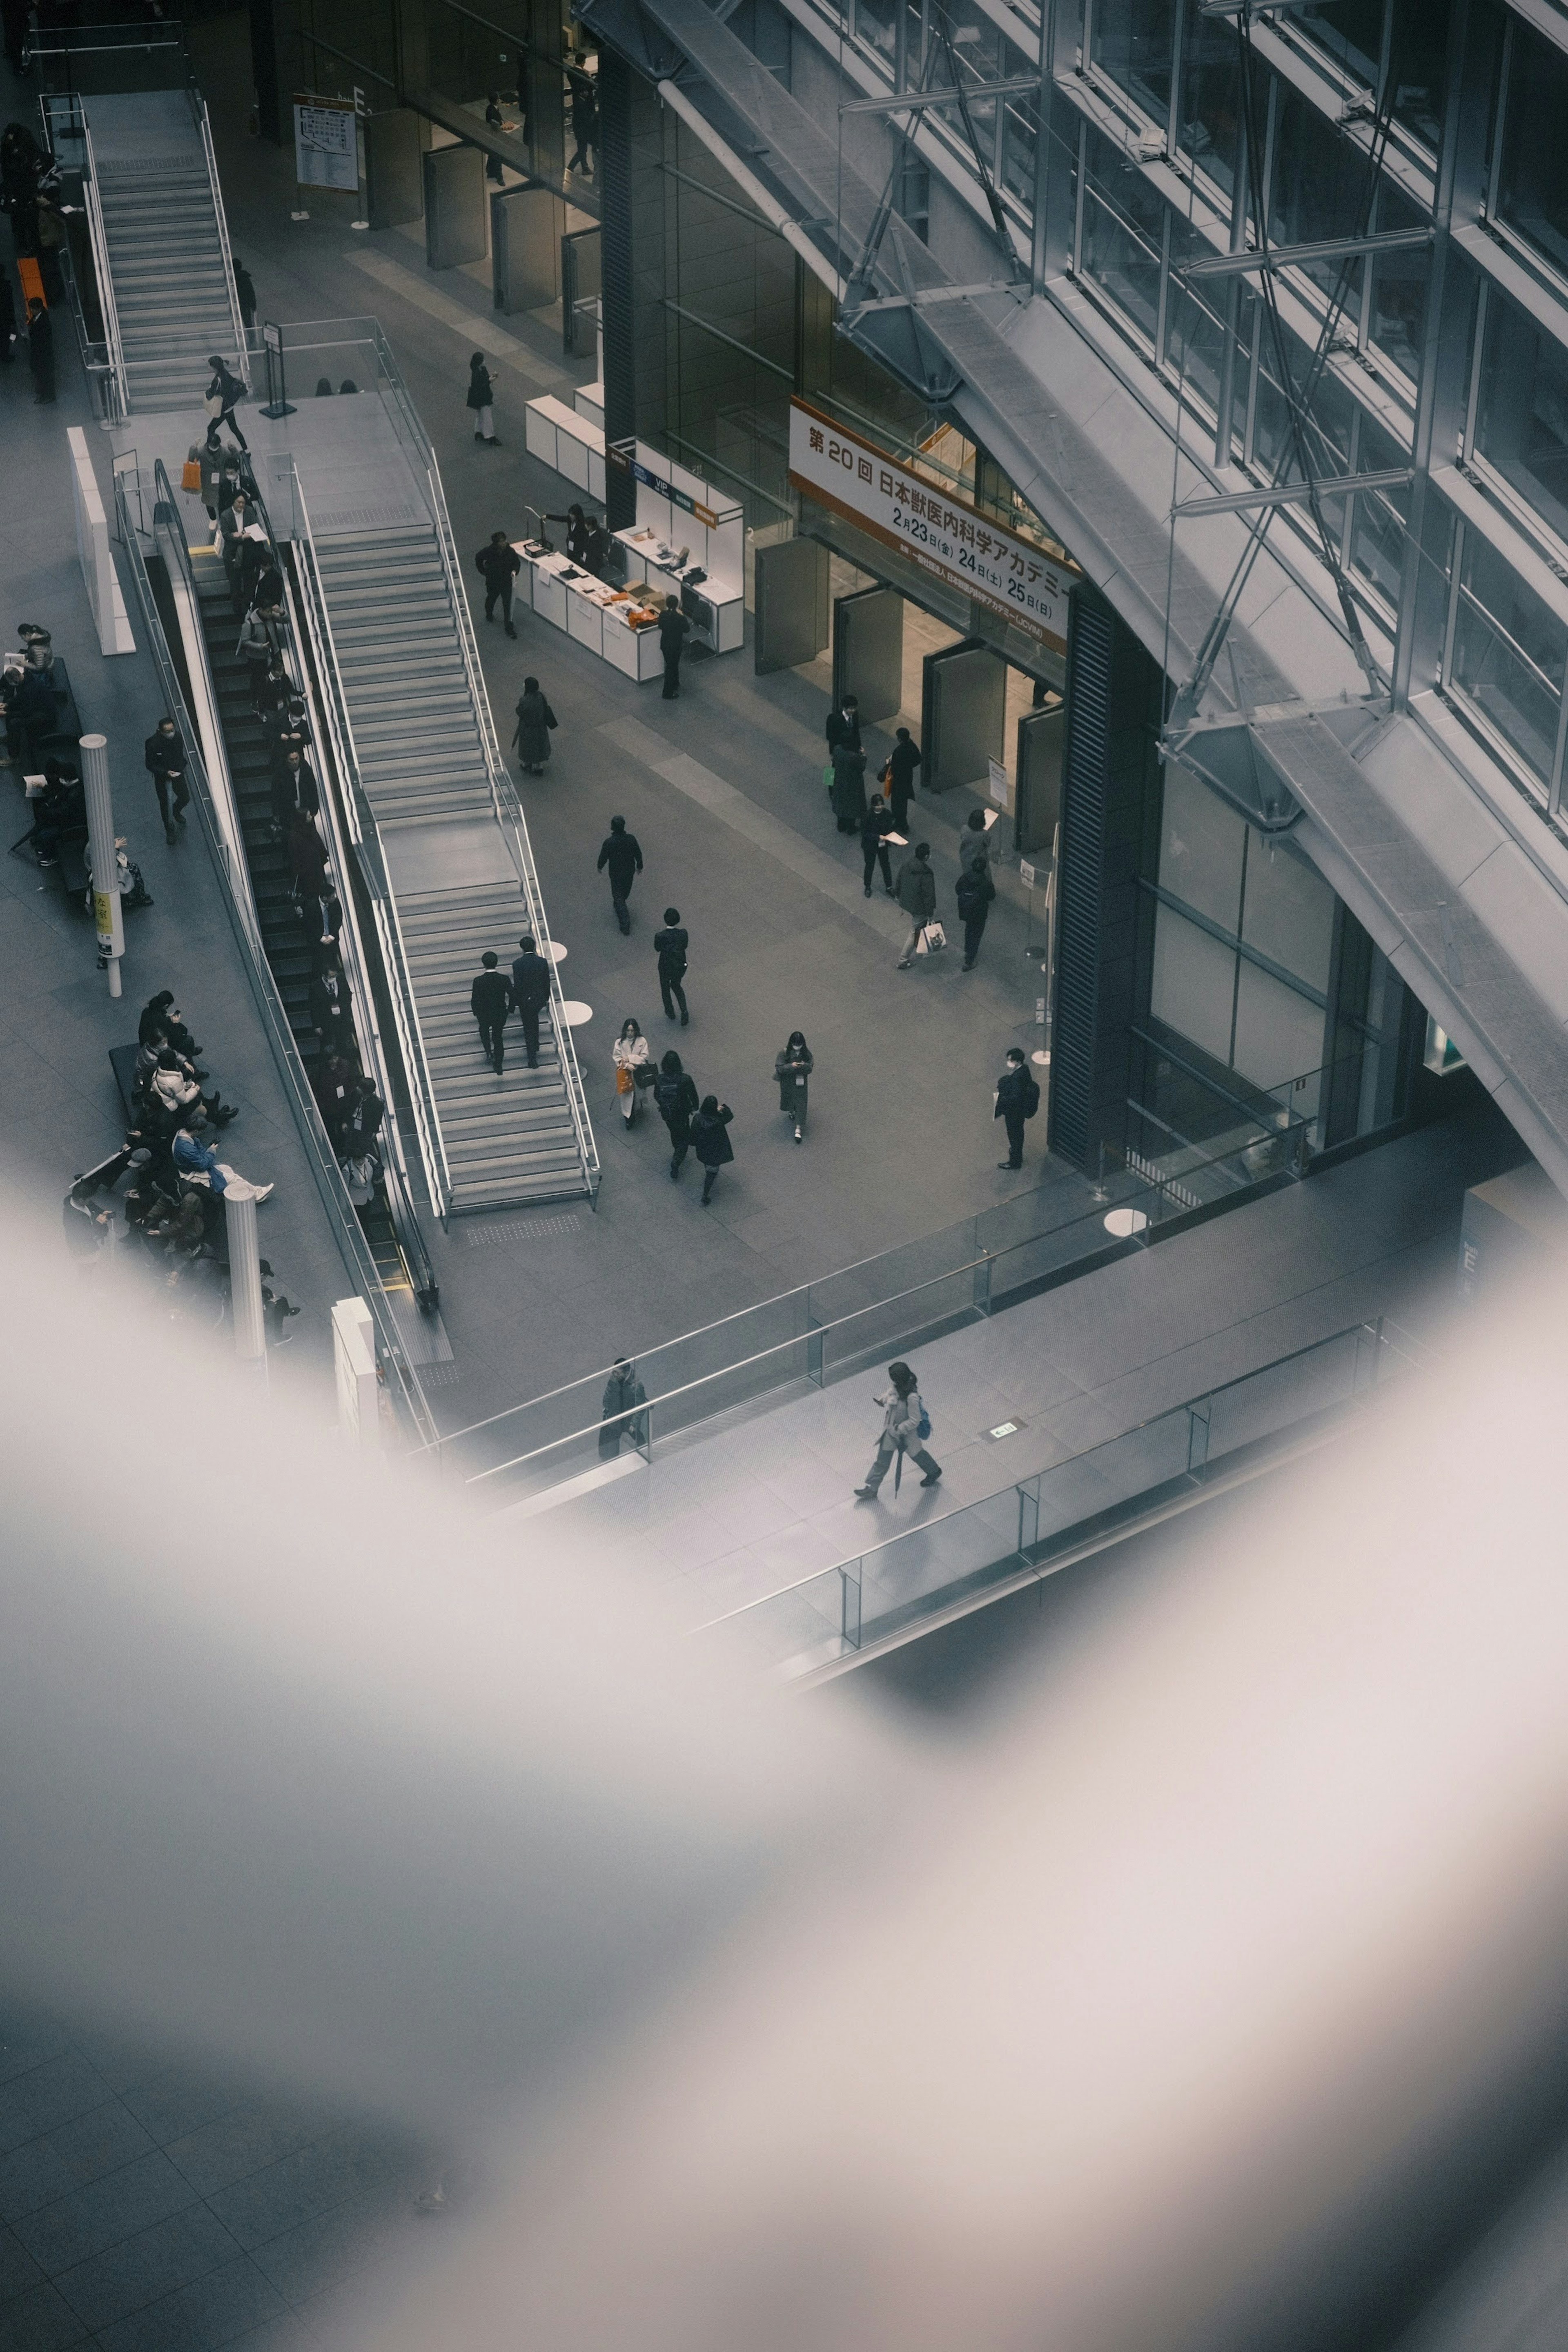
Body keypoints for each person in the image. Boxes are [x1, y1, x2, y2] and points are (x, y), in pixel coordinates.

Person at [853, 1360, 942, 1497]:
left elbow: (914, 1420)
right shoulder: (897, 1387)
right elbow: (890, 1393)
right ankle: (872, 1488)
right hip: (891, 1430)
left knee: (917, 1454)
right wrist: (882, 1400)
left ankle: (934, 1471)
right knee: (882, 1460)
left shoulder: (912, 1397)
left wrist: (900, 1429)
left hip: (907, 1433)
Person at [172, 1110, 273, 1202]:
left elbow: (199, 1155)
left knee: (227, 1171)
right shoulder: (186, 1148)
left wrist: (208, 1152)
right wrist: (211, 1151)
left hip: (193, 1168)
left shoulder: (183, 1135)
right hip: (193, 1174)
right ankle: (255, 1195)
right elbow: (202, 1165)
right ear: (196, 1131)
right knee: (230, 1179)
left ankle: (254, 1192)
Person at [653, 1050, 698, 1179]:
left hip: (667, 1114)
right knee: (684, 1138)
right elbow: (693, 1096)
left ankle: (676, 1146)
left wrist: (664, 1104)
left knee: (673, 1131)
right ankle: (677, 1160)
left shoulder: (659, 1079)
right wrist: (694, 1107)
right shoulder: (685, 1079)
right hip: (682, 1113)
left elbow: (656, 1096)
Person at [994, 1044, 1040, 1170]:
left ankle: (1014, 1161)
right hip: (1020, 1111)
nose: (1009, 1062)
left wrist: (1003, 1099)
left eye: (1011, 1060)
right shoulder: (1025, 1070)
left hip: (1015, 1112)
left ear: (1017, 1061)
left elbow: (1015, 1097)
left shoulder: (1017, 1078)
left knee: (1014, 1135)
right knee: (1018, 1134)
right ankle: (1016, 1156)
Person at [143, 716, 188, 844]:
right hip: (162, 776)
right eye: (168, 731)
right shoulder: (152, 743)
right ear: (160, 731)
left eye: (172, 730)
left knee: (185, 797)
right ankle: (170, 829)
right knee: (165, 803)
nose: (171, 734)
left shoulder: (178, 738)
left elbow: (180, 755)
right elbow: (150, 765)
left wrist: (179, 769)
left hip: (177, 772)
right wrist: (165, 773)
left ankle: (176, 811)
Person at [597, 815, 643, 935]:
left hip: (616, 873)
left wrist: (600, 866)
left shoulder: (609, 842)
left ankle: (625, 922)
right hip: (629, 871)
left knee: (618, 895)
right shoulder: (631, 839)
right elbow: (638, 853)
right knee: (625, 892)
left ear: (612, 828)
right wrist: (640, 866)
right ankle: (619, 903)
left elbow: (604, 856)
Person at [511, 933, 551, 1069]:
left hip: (525, 1001)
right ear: (534, 946)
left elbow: (518, 985)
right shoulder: (542, 962)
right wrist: (546, 998)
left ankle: (532, 1057)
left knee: (529, 1027)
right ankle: (537, 1043)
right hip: (538, 999)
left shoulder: (517, 964)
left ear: (522, 948)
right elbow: (546, 981)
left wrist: (517, 1001)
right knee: (535, 1021)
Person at [895, 841, 937, 967]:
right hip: (919, 907)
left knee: (920, 926)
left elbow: (899, 879)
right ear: (926, 857)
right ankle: (903, 960)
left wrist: (898, 894)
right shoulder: (926, 874)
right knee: (915, 931)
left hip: (907, 901)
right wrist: (930, 914)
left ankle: (924, 950)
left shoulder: (908, 864)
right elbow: (928, 896)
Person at [471, 950, 512, 1075]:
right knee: (498, 1037)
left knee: (484, 1031)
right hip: (500, 1013)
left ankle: (488, 1051)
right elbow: (513, 995)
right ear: (496, 963)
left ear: (484, 964)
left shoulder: (478, 981)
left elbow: (475, 999)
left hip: (484, 1014)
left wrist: (476, 1012)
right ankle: (499, 1065)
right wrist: (510, 1009)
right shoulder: (504, 979)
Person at [689, 1094, 734, 1206]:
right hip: (716, 1151)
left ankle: (709, 1171)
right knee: (711, 1174)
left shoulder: (698, 1118)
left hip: (704, 1149)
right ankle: (705, 1195)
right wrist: (723, 1108)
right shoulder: (718, 1120)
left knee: (708, 1165)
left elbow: (693, 1134)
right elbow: (729, 1117)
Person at [307, 945, 352, 1056]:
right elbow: (314, 1007)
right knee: (328, 1046)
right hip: (326, 1021)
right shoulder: (316, 987)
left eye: (335, 976)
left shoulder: (341, 980)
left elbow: (347, 995)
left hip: (342, 1019)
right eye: (331, 976)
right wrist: (317, 1025)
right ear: (324, 976)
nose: (334, 978)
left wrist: (344, 1009)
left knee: (342, 1043)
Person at [598, 1357, 646, 1458]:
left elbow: (641, 1406)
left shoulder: (636, 1385)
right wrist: (606, 1408)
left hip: (628, 1417)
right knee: (613, 1437)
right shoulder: (615, 1380)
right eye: (614, 1372)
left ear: (626, 1372)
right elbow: (608, 1395)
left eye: (618, 1373)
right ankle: (612, 1458)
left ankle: (645, 1449)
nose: (615, 1374)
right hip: (617, 1415)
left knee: (637, 1435)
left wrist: (634, 1423)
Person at [475, 531, 520, 636]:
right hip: (493, 582)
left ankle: (509, 627)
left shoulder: (510, 551)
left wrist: (515, 571)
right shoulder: (490, 551)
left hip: (506, 582)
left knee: (507, 605)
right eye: (501, 542)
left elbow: (516, 563)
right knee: (491, 599)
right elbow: (479, 557)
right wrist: (483, 571)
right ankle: (489, 613)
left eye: (504, 540)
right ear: (496, 543)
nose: (504, 543)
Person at [955, 857, 996, 972]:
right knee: (976, 935)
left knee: (969, 931)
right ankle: (969, 961)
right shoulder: (986, 882)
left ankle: (967, 951)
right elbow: (992, 897)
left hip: (966, 910)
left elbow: (958, 889)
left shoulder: (965, 877)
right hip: (979, 913)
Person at [611, 1016, 650, 1126]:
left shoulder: (642, 1041)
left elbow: (645, 1058)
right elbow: (617, 1058)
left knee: (638, 1094)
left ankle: (637, 1107)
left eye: (632, 1031)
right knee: (627, 1096)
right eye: (628, 1031)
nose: (630, 1033)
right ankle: (628, 1118)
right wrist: (627, 1065)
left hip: (638, 1073)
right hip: (626, 1074)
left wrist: (630, 1059)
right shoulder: (619, 1042)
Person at [203, 354, 248, 451]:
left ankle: (209, 450)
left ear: (214, 367)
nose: (208, 367)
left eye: (210, 366)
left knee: (211, 428)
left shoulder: (217, 379)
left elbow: (210, 394)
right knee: (234, 429)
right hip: (230, 406)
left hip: (223, 409)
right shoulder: (225, 373)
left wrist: (208, 390)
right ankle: (246, 450)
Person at [512, 678, 556, 774]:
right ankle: (538, 766)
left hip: (528, 728)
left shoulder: (525, 700)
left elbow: (520, 712)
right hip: (540, 727)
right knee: (539, 745)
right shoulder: (541, 696)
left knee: (527, 746)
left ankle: (526, 763)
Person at [775, 1032, 812, 1144]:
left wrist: (804, 1065)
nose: (798, 1046)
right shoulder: (784, 1053)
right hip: (788, 1082)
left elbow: (810, 1068)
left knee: (801, 1103)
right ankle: (791, 1110)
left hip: (801, 1083)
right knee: (789, 1098)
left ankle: (798, 1128)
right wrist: (791, 1066)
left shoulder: (806, 1054)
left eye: (799, 1044)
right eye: (796, 1044)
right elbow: (779, 1068)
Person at [653, 908, 689, 1024]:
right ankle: (684, 1011)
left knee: (665, 988)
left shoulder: (660, 936)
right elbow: (685, 946)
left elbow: (657, 948)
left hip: (665, 966)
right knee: (677, 986)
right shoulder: (683, 933)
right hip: (679, 965)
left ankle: (670, 1011)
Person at [830, 733, 868, 835]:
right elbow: (862, 767)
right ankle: (851, 828)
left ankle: (841, 825)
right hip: (852, 783)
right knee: (852, 805)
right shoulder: (854, 756)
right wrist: (863, 755)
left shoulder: (837, 749)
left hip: (839, 781)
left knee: (841, 803)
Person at [885, 726, 921, 832]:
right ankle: (902, 822)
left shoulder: (899, 751)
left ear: (900, 739)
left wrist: (888, 763)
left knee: (896, 802)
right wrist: (909, 766)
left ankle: (900, 822)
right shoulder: (912, 746)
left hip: (898, 780)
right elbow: (918, 759)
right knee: (903, 802)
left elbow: (894, 766)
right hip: (907, 778)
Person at [860, 794, 895, 897]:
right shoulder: (867, 816)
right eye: (877, 805)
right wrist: (878, 837)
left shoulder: (887, 814)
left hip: (882, 845)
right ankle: (868, 886)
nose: (880, 807)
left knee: (886, 865)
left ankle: (889, 886)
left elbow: (890, 828)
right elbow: (864, 833)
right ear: (873, 806)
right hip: (870, 846)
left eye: (881, 805)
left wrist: (892, 838)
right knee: (870, 866)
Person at [657, 595, 689, 701]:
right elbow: (687, 630)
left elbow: (660, 626)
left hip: (665, 644)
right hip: (676, 645)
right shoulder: (680, 618)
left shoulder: (663, 615)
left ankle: (675, 683)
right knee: (672, 667)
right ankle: (668, 693)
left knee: (671, 664)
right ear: (677, 605)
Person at [568, 67, 597, 176]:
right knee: (582, 150)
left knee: (582, 150)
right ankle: (574, 168)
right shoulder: (581, 105)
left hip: (581, 131)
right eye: (585, 92)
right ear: (582, 92)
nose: (587, 93)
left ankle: (580, 168)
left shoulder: (580, 101)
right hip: (582, 131)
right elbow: (586, 119)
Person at [467, 351, 499, 445]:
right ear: (480, 361)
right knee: (487, 417)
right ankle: (490, 436)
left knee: (480, 415)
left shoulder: (477, 370)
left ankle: (479, 432)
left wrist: (489, 379)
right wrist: (489, 380)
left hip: (478, 398)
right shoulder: (478, 372)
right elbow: (481, 385)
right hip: (483, 397)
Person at [26, 296, 52, 404]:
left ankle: (48, 396)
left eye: (33, 309)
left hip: (43, 354)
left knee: (44, 376)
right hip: (39, 353)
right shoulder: (38, 318)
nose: (32, 311)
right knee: (41, 375)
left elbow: (44, 339)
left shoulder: (44, 321)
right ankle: (44, 395)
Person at [826, 693, 860, 760]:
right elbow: (830, 736)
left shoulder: (855, 715)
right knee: (836, 768)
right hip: (839, 749)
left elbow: (856, 732)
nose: (853, 711)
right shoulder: (833, 718)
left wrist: (859, 746)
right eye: (851, 709)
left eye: (855, 708)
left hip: (852, 749)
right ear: (844, 708)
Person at [960, 807, 993, 878]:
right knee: (983, 874)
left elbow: (962, 838)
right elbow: (987, 844)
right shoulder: (984, 834)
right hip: (979, 857)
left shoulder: (965, 829)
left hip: (966, 855)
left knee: (968, 872)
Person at [484, 92, 506, 185]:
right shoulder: (493, 111)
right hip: (496, 135)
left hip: (492, 135)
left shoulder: (490, 109)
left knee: (493, 155)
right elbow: (496, 123)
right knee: (498, 156)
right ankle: (499, 178)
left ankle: (490, 171)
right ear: (497, 100)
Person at [231, 254, 257, 331]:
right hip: (246, 304)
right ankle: (251, 338)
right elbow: (251, 293)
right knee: (248, 324)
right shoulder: (246, 278)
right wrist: (254, 306)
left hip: (236, 303)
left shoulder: (232, 279)